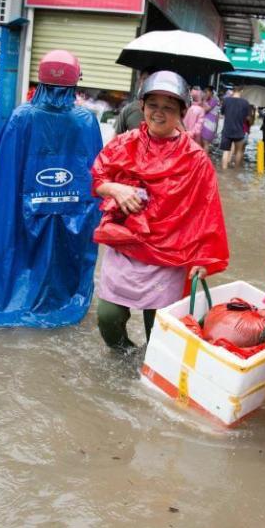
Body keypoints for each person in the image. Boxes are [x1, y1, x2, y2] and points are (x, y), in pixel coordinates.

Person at [0, 50, 103, 328]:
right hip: (72, 210)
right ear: (76, 83)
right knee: (61, 262)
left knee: (20, 255)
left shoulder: (21, 117)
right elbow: (97, 171)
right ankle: (57, 303)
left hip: (24, 205)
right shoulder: (85, 120)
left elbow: (1, 164)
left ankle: (9, 301)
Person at [91, 71, 229, 350]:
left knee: (160, 333)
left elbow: (208, 209)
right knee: (108, 317)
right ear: (141, 107)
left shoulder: (196, 159)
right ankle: (124, 357)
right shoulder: (123, 144)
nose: (159, 113)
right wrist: (116, 190)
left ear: (182, 112)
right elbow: (97, 179)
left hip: (170, 254)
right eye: (153, 105)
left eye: (169, 107)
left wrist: (203, 258)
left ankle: (150, 372)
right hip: (125, 245)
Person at [113, 68, 157, 134]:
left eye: (151, 79)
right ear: (139, 81)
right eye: (144, 79)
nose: (147, 83)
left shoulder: (165, 114)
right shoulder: (129, 109)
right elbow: (115, 140)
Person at [220, 86, 253, 168]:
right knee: (238, 151)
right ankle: (236, 170)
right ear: (241, 91)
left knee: (226, 151)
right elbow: (248, 118)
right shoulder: (245, 103)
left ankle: (224, 170)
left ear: (233, 91)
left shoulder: (226, 100)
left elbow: (222, 113)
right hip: (239, 131)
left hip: (227, 130)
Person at [199, 85, 219, 152]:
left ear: (211, 92)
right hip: (204, 122)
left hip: (209, 124)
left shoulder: (214, 100)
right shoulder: (208, 100)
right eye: (204, 92)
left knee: (205, 143)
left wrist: (204, 100)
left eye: (206, 92)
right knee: (201, 143)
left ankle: (204, 161)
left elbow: (206, 109)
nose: (205, 93)